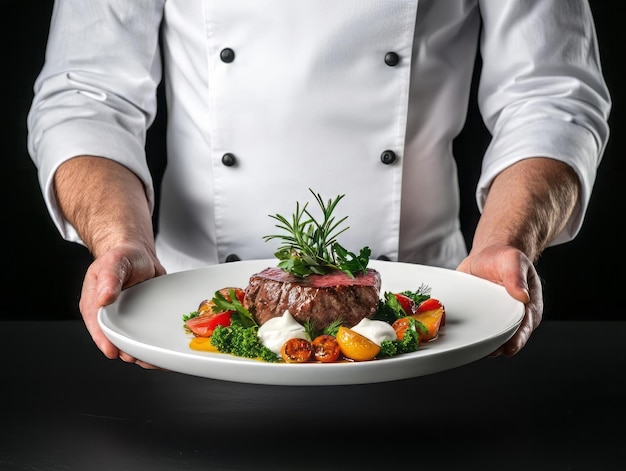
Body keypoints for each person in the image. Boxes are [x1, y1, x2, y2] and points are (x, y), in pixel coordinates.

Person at [27, 1, 610, 368]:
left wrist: (504, 242)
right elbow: (87, 98)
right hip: (190, 330)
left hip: (430, 323)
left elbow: (552, 96)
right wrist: (118, 242)